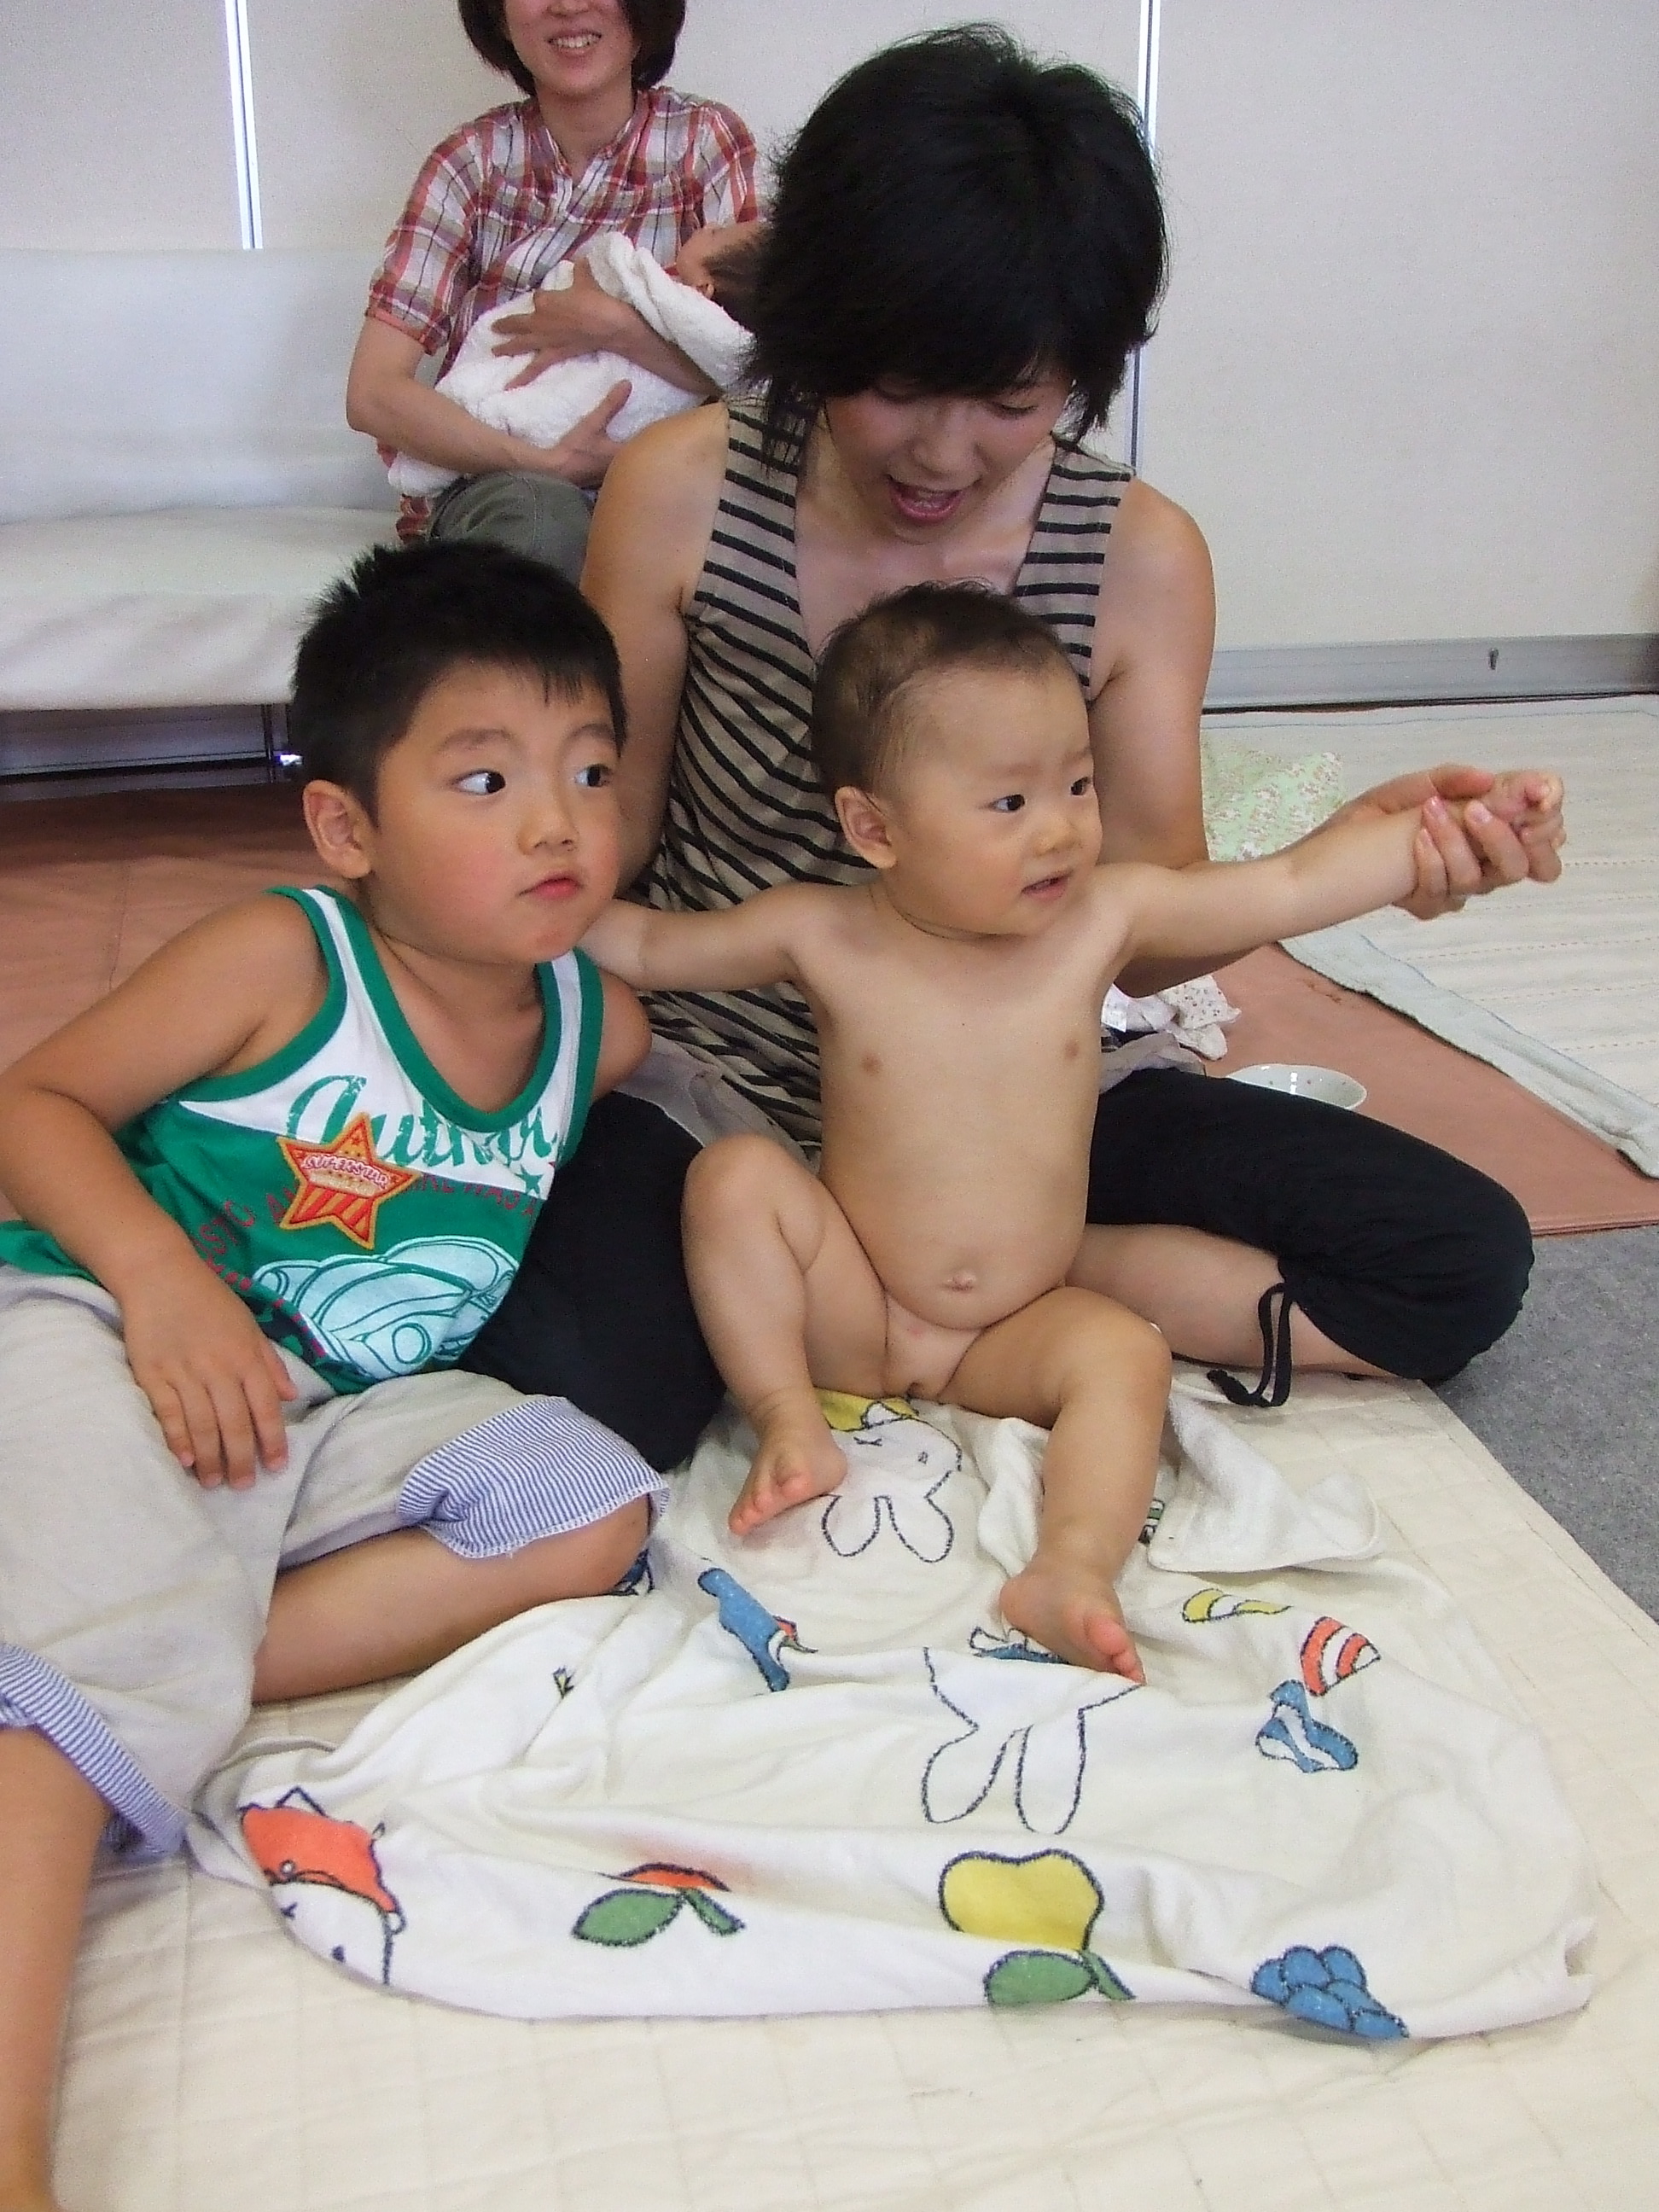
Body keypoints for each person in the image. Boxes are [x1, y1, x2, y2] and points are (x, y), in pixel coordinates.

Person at [568, 23, 1565, 1415]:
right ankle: (909, 1296)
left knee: (1455, 1259)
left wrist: (1354, 851)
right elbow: (603, 842)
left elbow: (1143, 923)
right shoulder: (681, 492)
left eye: (1006, 399)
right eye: (892, 385)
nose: (941, 450)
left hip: (1027, 1102)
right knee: (590, 1373)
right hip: (720, 1077)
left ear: (1079, 369)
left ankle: (995, 1290)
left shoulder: (1135, 556)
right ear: (813, 327)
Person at [0, 541, 660, 2212]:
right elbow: (30, 1106)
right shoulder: (284, 957)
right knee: (105, 1644)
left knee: (586, 1504)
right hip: (102, 1318)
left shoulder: (597, 1030)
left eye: (590, 772)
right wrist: (157, 1280)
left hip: (326, 1404)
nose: (557, 824)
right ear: (348, 828)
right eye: (486, 780)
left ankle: (145, 1634)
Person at [583, 584, 1561, 1679]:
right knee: (735, 1176)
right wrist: (518, 894)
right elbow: (651, 949)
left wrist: (1440, 838)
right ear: (875, 828)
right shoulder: (822, 931)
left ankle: (1073, 1567)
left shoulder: (1105, 916)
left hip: (1017, 1321)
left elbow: (1286, 886)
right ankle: (785, 1420)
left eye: (1079, 784)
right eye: (1009, 802)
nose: (1060, 829)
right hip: (858, 1305)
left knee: (1124, 1353)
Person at [346, 0, 758, 573]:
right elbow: (372, 394)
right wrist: (547, 464)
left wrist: (613, 330)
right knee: (544, 523)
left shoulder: (703, 142)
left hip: (664, 478)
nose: (568, 5)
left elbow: (756, 374)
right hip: (504, 483)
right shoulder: (470, 162)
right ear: (499, 15)